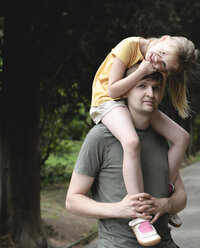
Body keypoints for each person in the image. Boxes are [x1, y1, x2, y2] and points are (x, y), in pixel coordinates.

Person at [89, 35, 198, 243]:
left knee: (182, 137)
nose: (158, 61)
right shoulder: (129, 45)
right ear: (164, 38)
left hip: (127, 98)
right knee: (131, 142)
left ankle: (166, 188)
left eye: (164, 64)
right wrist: (142, 71)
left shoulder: (159, 66)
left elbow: (155, 99)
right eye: (162, 53)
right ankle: (139, 217)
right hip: (106, 101)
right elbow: (112, 89)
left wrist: (158, 76)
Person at [66, 63, 187, 247]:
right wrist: (118, 208)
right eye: (142, 86)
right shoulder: (100, 137)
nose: (150, 94)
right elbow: (72, 200)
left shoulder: (163, 137)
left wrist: (166, 205)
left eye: (155, 88)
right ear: (126, 91)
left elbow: (180, 196)